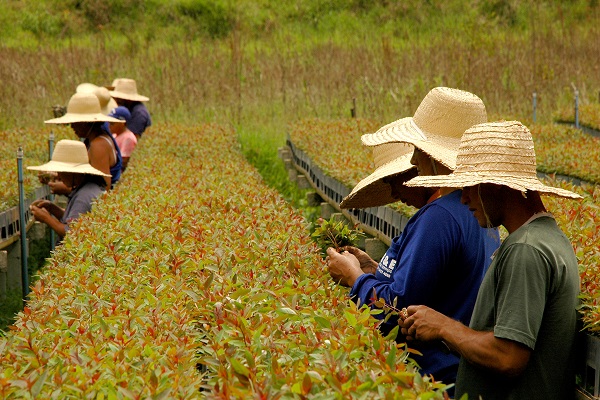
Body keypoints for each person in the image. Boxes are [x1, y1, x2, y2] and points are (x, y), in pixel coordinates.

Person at [326, 87, 500, 392]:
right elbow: (427, 288)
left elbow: (397, 309)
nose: (415, 158)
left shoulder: (440, 217)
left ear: (436, 157)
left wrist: (353, 277)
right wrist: (373, 270)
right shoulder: (478, 213)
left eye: (420, 149)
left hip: (434, 379)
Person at [400, 120, 582, 399]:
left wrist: (442, 326)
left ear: (496, 186)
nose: (463, 199)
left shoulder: (526, 249)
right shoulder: (548, 238)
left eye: (470, 187)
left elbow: (508, 357)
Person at [28, 139, 109, 239]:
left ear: (72, 172)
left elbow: (71, 232)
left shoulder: (83, 196)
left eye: (61, 171)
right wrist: (53, 209)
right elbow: (75, 219)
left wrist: (46, 218)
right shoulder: (89, 187)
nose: (58, 175)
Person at [45, 92, 123, 190]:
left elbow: (102, 190)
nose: (72, 126)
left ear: (86, 122)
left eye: (75, 122)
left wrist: (67, 190)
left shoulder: (99, 145)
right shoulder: (92, 141)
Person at [108, 106, 137, 171]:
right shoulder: (115, 135)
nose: (109, 126)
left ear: (122, 124)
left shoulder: (128, 138)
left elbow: (123, 162)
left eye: (112, 123)